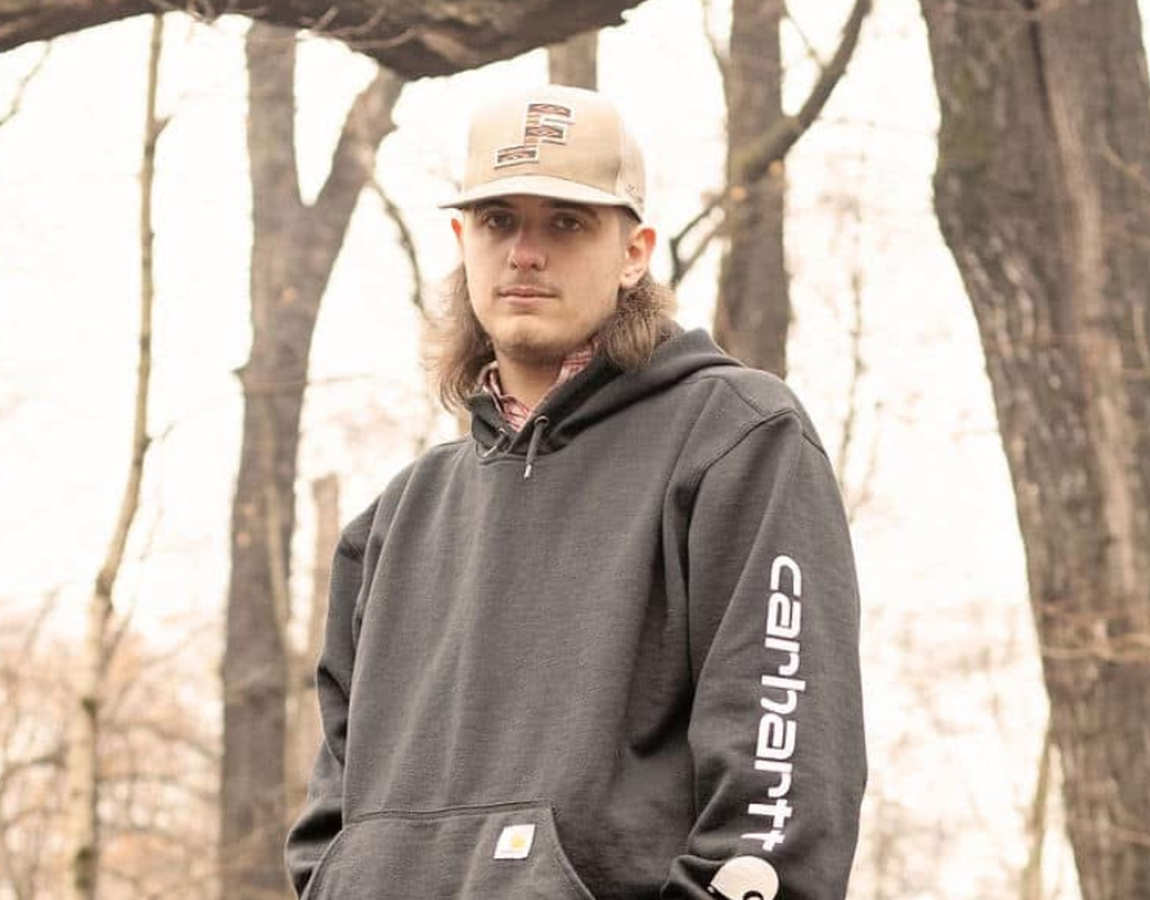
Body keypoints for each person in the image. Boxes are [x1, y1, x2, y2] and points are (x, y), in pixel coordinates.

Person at [285, 84, 866, 900]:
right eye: (499, 221)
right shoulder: (394, 521)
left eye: (566, 222)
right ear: (463, 242)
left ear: (634, 252)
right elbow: (332, 824)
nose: (525, 252)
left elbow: (780, 799)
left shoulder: (735, 440)